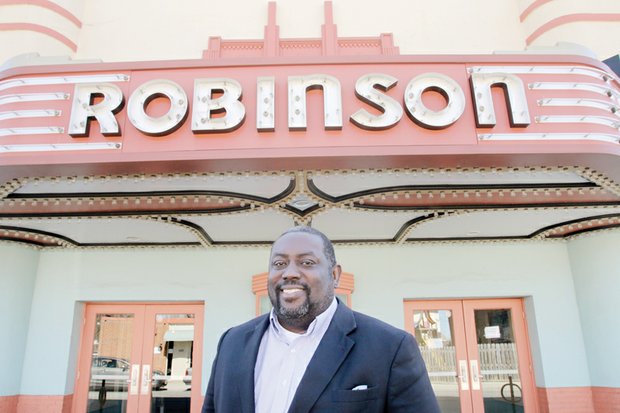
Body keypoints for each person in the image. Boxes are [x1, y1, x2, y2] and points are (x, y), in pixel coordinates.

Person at [202, 226, 440, 413]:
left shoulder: (391, 348)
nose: (290, 273)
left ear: (335, 275)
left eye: (307, 262)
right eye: (279, 264)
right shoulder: (231, 342)